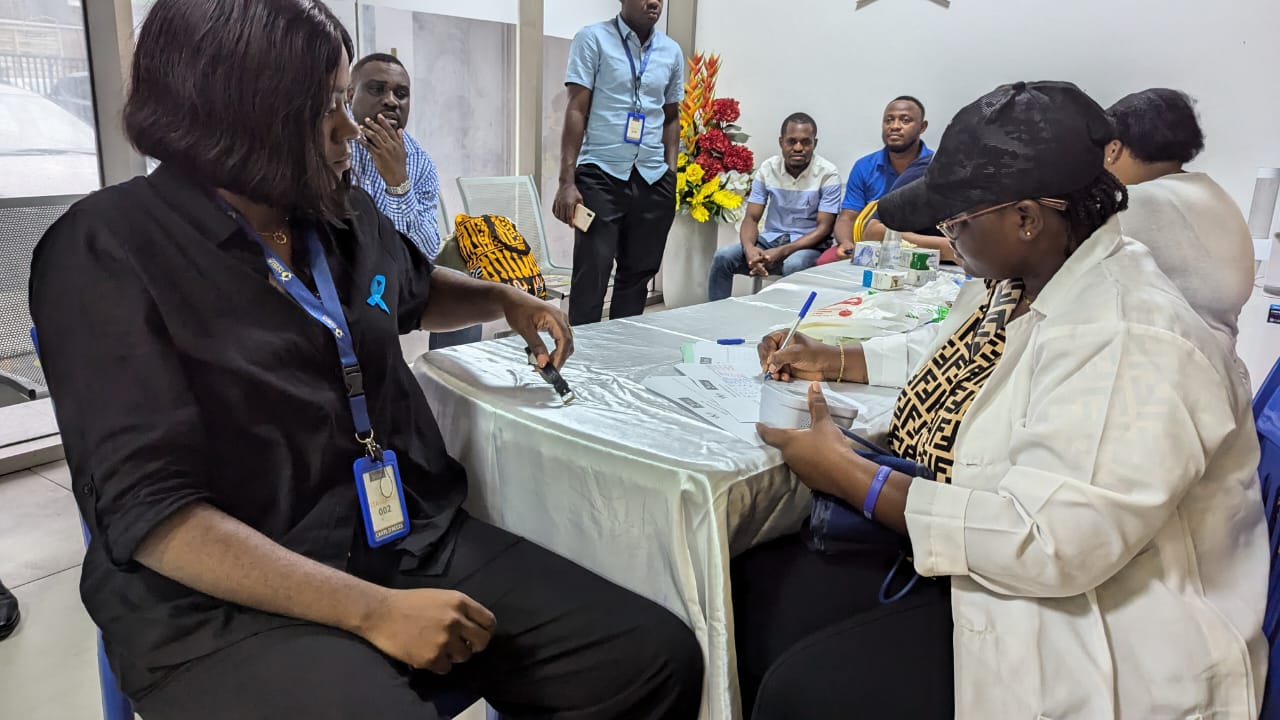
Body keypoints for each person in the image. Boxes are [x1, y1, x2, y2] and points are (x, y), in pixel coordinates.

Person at [28, 2, 702, 718]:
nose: (350, 127)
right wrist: (371, 610)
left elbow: (410, 291)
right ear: (239, 112)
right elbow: (155, 514)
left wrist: (504, 299)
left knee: (651, 660)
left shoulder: (333, 209)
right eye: (327, 106)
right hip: (226, 603)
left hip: (403, 540)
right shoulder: (106, 251)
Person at [737, 81, 1267, 719]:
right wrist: (835, 358)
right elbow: (953, 354)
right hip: (970, 558)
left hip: (1088, 630)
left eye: (957, 223)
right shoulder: (1021, 280)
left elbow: (1049, 541)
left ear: (1026, 219)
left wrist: (851, 475)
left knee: (803, 689)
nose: (947, 236)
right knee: (754, 593)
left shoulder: (1133, 337)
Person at [552, 0, 684, 326]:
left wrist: (671, 174)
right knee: (592, 274)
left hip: (652, 177)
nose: (654, 2)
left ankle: (622, 349)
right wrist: (567, 181)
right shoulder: (592, 39)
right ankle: (581, 352)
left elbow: (671, 117)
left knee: (638, 276)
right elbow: (576, 109)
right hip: (601, 174)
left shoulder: (671, 51)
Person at [1105, 88, 1255, 353]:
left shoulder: (1137, 201)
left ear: (1113, 150)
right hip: (1221, 362)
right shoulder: (1214, 194)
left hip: (1168, 365)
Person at [348, 52, 481, 350]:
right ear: (350, 94)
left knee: (464, 296)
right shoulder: (330, 140)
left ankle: (447, 376)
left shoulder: (418, 161)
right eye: (377, 89)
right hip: (337, 271)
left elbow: (426, 251)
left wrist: (398, 182)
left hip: (391, 274)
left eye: (401, 94)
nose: (391, 101)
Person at [706, 113, 841, 301]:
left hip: (807, 246)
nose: (798, 148)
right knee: (723, 257)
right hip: (770, 242)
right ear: (781, 142)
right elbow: (751, 218)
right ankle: (716, 314)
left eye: (805, 142)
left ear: (814, 143)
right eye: (791, 141)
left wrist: (783, 251)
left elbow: (824, 228)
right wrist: (750, 250)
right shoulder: (768, 169)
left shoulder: (828, 174)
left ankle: (787, 318)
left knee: (794, 264)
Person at [817, 96, 935, 265]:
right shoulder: (864, 166)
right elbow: (847, 217)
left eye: (905, 120)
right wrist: (846, 243)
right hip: (868, 248)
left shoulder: (936, 168)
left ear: (922, 127)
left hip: (919, 248)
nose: (895, 126)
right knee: (824, 262)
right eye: (889, 120)